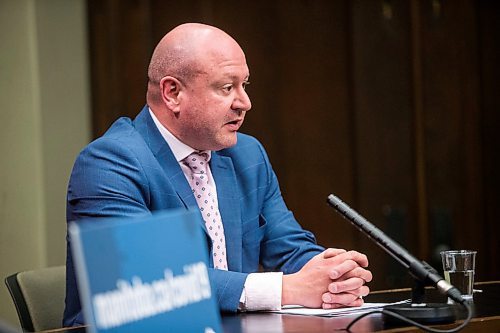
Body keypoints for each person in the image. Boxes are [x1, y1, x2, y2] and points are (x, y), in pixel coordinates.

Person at [63, 23, 372, 327]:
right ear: (172, 92)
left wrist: (332, 277)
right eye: (227, 88)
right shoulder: (109, 163)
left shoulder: (246, 155)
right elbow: (152, 282)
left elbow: (289, 245)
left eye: (244, 85)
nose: (245, 103)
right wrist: (287, 289)